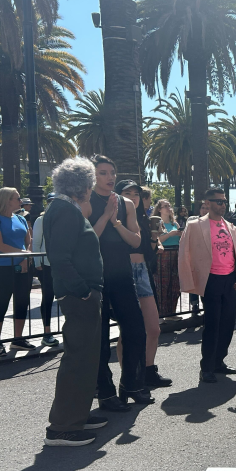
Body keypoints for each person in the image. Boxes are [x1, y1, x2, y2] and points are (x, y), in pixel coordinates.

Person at [43, 158, 108, 446]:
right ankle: (63, 427)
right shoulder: (66, 211)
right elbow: (60, 258)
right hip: (79, 296)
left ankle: (75, 416)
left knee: (83, 358)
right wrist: (83, 291)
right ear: (84, 187)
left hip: (78, 294)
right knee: (79, 360)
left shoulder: (61, 209)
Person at [87, 155, 152, 411]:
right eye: (102, 173)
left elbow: (136, 241)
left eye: (111, 171)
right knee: (100, 338)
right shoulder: (84, 200)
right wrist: (104, 216)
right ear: (93, 176)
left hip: (122, 273)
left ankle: (132, 385)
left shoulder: (125, 203)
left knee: (136, 330)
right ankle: (105, 392)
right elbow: (88, 240)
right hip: (95, 275)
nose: (109, 177)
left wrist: (116, 221)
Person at [179, 189, 236, 383]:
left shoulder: (231, 227)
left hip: (230, 280)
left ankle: (219, 362)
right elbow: (184, 254)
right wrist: (188, 280)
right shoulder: (194, 226)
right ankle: (207, 366)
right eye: (218, 202)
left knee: (228, 322)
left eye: (224, 201)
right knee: (212, 323)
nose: (222, 205)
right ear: (207, 203)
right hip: (210, 279)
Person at [116, 181, 172, 389]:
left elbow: (147, 252)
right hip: (123, 271)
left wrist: (154, 240)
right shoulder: (116, 217)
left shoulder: (144, 219)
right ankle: (129, 376)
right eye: (127, 193)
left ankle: (148, 371)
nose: (132, 197)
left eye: (136, 193)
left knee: (153, 328)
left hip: (143, 272)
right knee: (128, 330)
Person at [0, 187, 35, 356]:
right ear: (7, 200)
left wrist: (25, 257)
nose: (20, 201)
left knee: (22, 301)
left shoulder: (20, 219)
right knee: (2, 302)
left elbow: (29, 241)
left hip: (23, 266)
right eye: (17, 198)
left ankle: (18, 339)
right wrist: (24, 255)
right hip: (3, 266)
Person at [31, 193, 60, 347]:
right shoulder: (41, 220)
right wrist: (37, 263)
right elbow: (36, 243)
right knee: (48, 297)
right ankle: (47, 332)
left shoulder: (65, 220)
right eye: (51, 201)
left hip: (63, 264)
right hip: (47, 265)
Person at [152, 199, 182, 317]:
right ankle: (161, 313)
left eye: (169, 206)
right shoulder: (157, 223)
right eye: (165, 206)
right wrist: (170, 234)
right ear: (159, 209)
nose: (168, 208)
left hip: (176, 254)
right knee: (162, 284)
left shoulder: (175, 224)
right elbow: (157, 240)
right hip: (162, 255)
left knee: (175, 284)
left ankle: (172, 312)